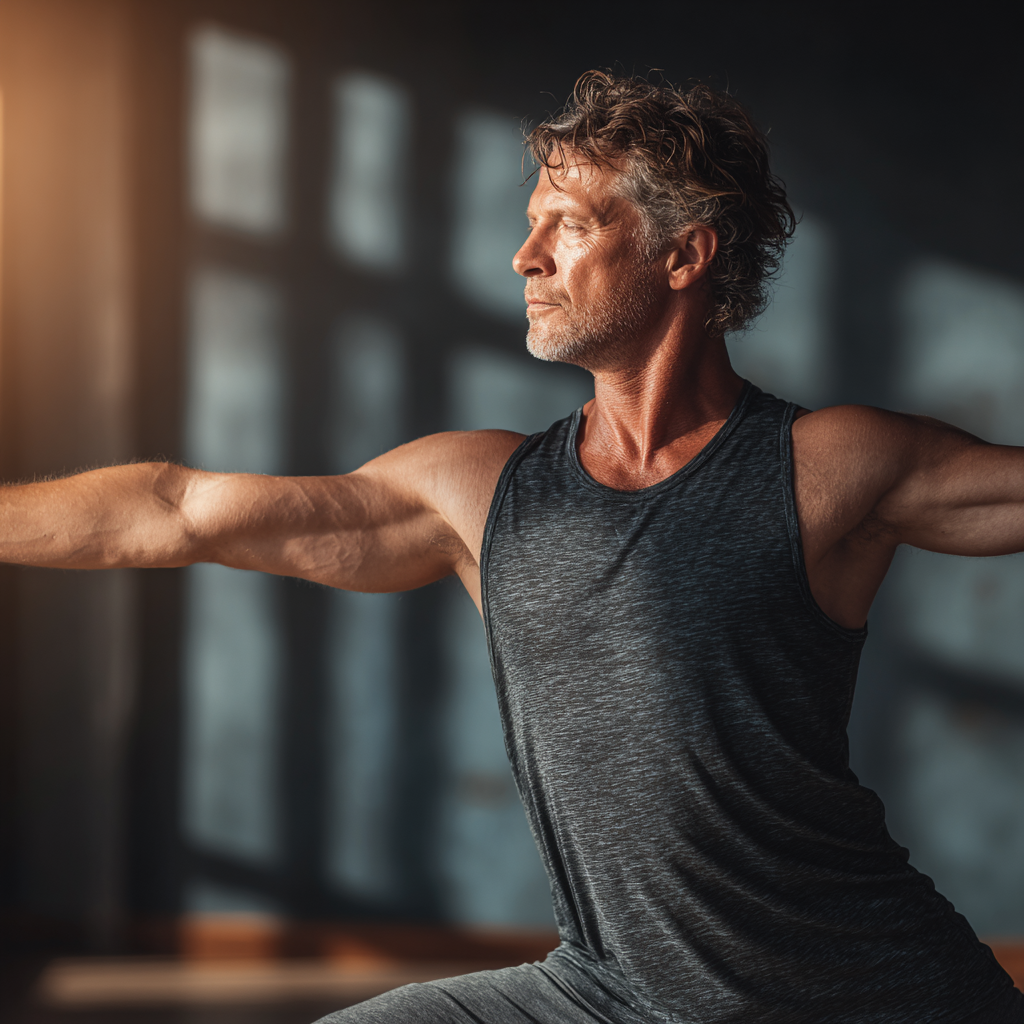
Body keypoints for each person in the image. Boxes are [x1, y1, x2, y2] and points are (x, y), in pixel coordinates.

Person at [2, 71, 1023, 1024]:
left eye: (568, 225)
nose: (523, 258)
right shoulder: (474, 490)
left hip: (863, 991)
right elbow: (176, 510)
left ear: (683, 253)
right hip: (604, 990)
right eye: (529, 224)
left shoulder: (825, 466)